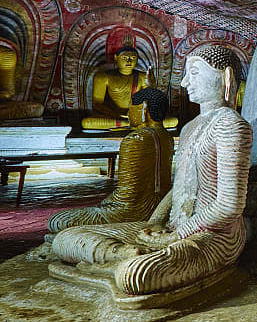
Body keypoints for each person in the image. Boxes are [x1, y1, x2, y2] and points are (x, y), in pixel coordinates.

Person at [52, 45, 252, 300]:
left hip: (214, 236)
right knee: (66, 237)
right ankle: (122, 253)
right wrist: (155, 222)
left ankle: (128, 261)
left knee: (134, 275)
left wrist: (180, 234)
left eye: (195, 72)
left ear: (225, 77)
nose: (185, 81)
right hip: (172, 227)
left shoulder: (231, 125)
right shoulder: (190, 127)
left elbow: (229, 205)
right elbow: (180, 187)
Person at [44, 89, 174, 239]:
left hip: (129, 211)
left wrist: (104, 205)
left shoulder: (135, 139)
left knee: (57, 220)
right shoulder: (167, 137)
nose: (128, 113)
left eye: (131, 107)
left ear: (144, 108)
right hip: (157, 207)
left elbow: (126, 197)